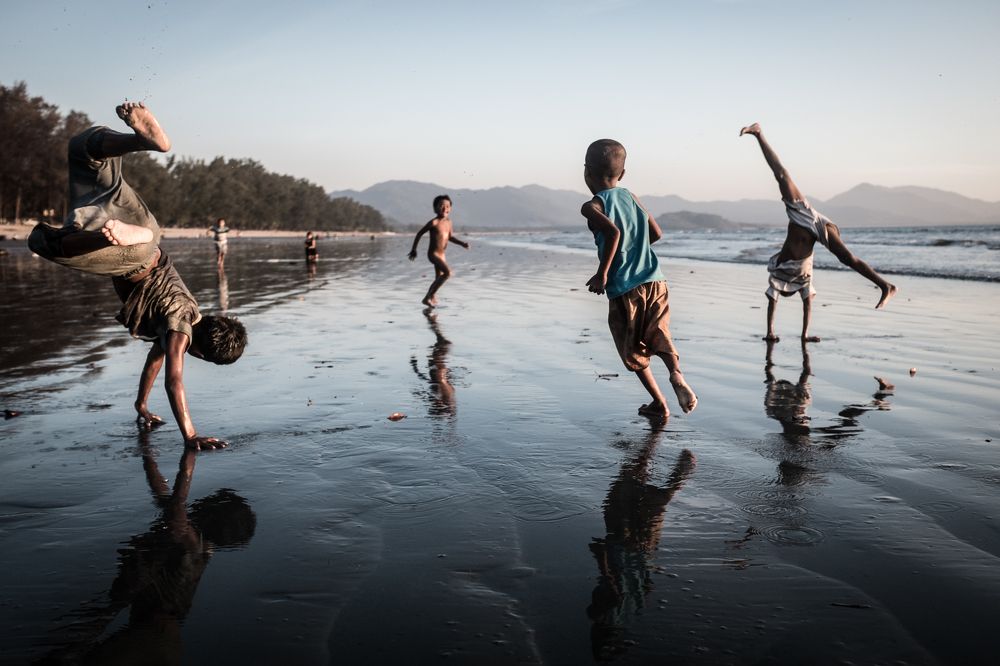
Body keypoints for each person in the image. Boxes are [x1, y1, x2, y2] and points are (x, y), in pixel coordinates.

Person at [27, 101, 247, 450]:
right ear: (202, 354)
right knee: (40, 241)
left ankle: (146, 143)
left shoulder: (187, 310)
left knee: (84, 149)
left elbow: (153, 364)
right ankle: (103, 236)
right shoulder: (179, 328)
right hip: (131, 254)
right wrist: (190, 435)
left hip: (149, 233)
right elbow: (174, 380)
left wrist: (141, 405)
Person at [740, 123, 897, 342]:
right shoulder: (790, 273)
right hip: (815, 229)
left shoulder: (793, 214)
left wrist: (758, 136)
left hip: (808, 217)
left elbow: (780, 172)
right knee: (848, 259)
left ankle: (758, 133)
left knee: (782, 175)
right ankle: (885, 285)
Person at [582, 139, 697, 421]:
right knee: (659, 333)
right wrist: (638, 247)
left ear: (586, 172)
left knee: (633, 349)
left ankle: (659, 401)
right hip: (655, 280)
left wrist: (602, 273)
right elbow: (655, 233)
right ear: (622, 174)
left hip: (624, 288)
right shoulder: (630, 196)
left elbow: (613, 235)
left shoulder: (592, 206)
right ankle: (675, 373)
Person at [407, 194, 470, 307]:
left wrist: (462, 244)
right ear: (435, 208)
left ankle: (432, 296)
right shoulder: (434, 222)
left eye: (447, 206)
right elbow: (419, 233)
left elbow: (450, 237)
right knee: (448, 273)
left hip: (442, 255)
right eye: (441, 205)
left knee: (438, 278)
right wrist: (414, 249)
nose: (444, 208)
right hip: (434, 254)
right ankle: (427, 298)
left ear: (450, 208)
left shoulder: (449, 222)